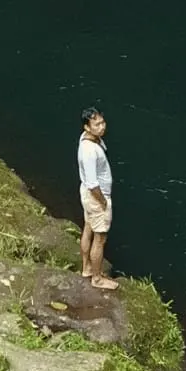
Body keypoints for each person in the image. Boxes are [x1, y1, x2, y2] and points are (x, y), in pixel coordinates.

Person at [77, 106, 117, 290]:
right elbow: (93, 184)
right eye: (96, 124)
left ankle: (86, 268)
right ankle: (97, 278)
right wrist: (102, 202)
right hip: (95, 196)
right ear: (87, 127)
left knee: (88, 228)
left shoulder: (90, 140)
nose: (101, 127)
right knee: (100, 238)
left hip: (86, 193)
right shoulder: (89, 151)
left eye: (102, 122)